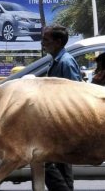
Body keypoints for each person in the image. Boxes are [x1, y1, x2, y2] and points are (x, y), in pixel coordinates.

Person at [41, 25, 81, 191]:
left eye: (46, 40)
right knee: (60, 165)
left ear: (58, 42)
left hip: (64, 122)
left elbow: (76, 93)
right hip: (57, 121)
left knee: (47, 163)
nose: (43, 43)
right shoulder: (56, 60)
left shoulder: (65, 62)